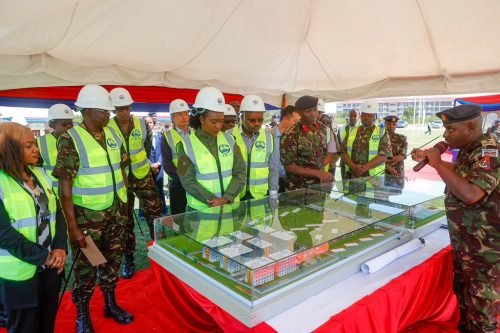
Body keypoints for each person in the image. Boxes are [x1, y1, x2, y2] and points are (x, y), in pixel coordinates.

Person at [411, 104, 499, 332]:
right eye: (444, 129)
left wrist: (438, 163)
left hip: (486, 251)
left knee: (482, 313)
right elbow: (464, 173)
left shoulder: (490, 151)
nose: (445, 135)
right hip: (469, 244)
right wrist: (431, 160)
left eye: (451, 129)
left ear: (471, 126)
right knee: (466, 301)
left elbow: (471, 193)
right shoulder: (472, 148)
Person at [53, 85, 133, 332]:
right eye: (104, 111)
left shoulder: (113, 134)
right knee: (88, 268)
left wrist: (124, 205)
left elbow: (121, 170)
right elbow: (65, 189)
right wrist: (73, 227)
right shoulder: (71, 139)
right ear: (87, 111)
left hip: (116, 213)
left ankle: (110, 303)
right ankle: (83, 313)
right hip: (88, 219)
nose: (109, 115)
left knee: (112, 261)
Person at [0, 122, 67, 333]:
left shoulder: (39, 173)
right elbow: (3, 233)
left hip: (50, 269)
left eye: (35, 144)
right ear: (9, 149)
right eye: (29, 146)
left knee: (47, 323)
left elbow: (57, 214)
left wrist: (59, 247)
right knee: (24, 327)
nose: (36, 149)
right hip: (19, 273)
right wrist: (44, 256)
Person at [108, 87, 162, 279]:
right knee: (125, 220)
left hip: (142, 176)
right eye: (119, 108)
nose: (124, 112)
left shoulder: (141, 124)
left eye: (127, 108)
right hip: (120, 180)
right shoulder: (107, 126)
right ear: (113, 109)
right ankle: (129, 259)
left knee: (154, 214)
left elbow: (147, 147)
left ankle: (161, 254)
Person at [177, 87, 246, 211]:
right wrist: (213, 200)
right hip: (201, 211)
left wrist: (226, 198)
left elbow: (240, 172)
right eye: (214, 121)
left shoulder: (230, 140)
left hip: (229, 207)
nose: (218, 126)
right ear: (202, 119)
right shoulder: (185, 145)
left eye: (221, 121)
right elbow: (187, 180)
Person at [228, 94, 277, 200]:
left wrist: (273, 192)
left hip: (260, 195)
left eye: (260, 120)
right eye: (252, 120)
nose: (257, 124)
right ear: (242, 117)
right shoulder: (229, 135)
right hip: (234, 196)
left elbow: (273, 167)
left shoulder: (268, 136)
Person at [280, 95, 334, 191]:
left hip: (319, 187)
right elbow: (289, 166)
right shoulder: (291, 134)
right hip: (298, 189)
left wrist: (321, 169)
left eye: (315, 110)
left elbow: (330, 151)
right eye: (308, 111)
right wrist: (317, 173)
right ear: (299, 112)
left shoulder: (324, 129)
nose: (313, 114)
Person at [340, 99, 392, 179]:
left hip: (373, 178)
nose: (366, 118)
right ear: (360, 116)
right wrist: (353, 166)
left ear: (375, 117)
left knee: (371, 192)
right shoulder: (352, 131)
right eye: (364, 115)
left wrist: (364, 168)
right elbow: (343, 152)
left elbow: (383, 156)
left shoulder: (382, 132)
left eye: (370, 115)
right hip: (351, 176)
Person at [160, 99, 191, 216]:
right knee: (178, 216)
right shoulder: (167, 137)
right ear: (172, 117)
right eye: (180, 114)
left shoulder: (196, 134)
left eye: (186, 113)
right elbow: (167, 165)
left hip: (198, 181)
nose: (184, 117)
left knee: (196, 214)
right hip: (178, 182)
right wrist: (183, 179)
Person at [37, 104, 75, 192]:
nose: (69, 127)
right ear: (52, 125)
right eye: (64, 124)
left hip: (75, 193)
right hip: (53, 193)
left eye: (71, 124)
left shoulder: (77, 139)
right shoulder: (40, 143)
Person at [269, 105, 300, 193]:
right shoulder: (269, 136)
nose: (297, 124)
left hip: (291, 181)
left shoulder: (296, 137)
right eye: (295, 121)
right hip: (272, 181)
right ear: (285, 119)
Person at [145, 116, 168, 215]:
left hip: (159, 167)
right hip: (146, 168)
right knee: (147, 192)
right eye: (146, 123)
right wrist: (151, 165)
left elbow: (163, 152)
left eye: (150, 122)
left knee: (160, 190)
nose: (148, 124)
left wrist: (158, 163)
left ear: (153, 124)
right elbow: (140, 154)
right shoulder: (141, 139)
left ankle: (163, 210)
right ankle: (143, 213)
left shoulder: (160, 136)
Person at [338, 109, 360, 179]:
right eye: (351, 116)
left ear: (359, 117)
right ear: (348, 116)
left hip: (358, 163)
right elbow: (338, 144)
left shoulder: (362, 129)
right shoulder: (342, 128)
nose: (352, 118)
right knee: (345, 184)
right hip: (344, 162)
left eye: (355, 116)